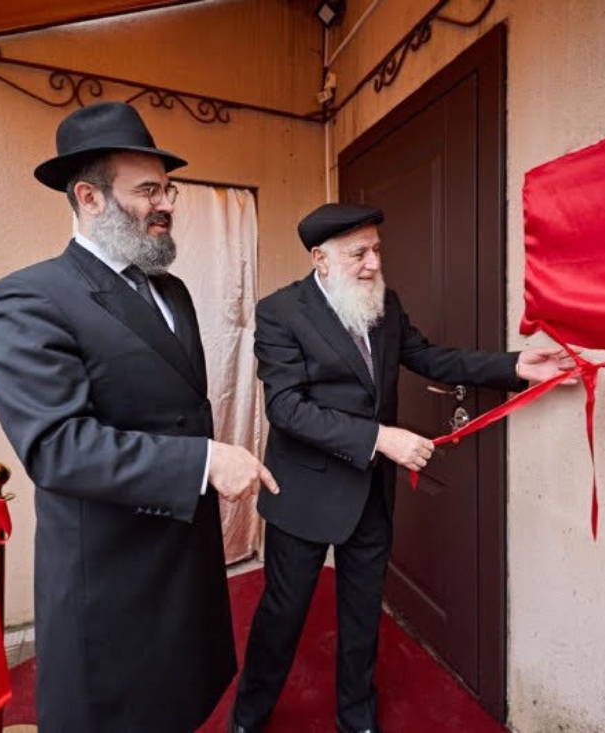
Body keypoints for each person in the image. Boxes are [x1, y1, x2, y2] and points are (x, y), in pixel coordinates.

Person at [0, 101, 278, 732]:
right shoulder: (30, 297)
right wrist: (204, 461)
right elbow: (57, 447)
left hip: (182, 553)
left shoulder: (171, 289)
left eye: (168, 189)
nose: (165, 204)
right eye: (147, 190)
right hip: (110, 573)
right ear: (88, 197)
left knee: (180, 705)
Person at [230, 203, 575, 733]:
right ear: (321, 259)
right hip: (303, 493)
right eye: (358, 254)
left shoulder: (385, 303)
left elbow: (429, 357)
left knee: (363, 611)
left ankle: (357, 717)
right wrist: (379, 438)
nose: (373, 263)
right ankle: (248, 717)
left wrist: (514, 366)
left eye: (376, 250)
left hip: (370, 492)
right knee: (283, 612)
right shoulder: (280, 311)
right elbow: (287, 409)